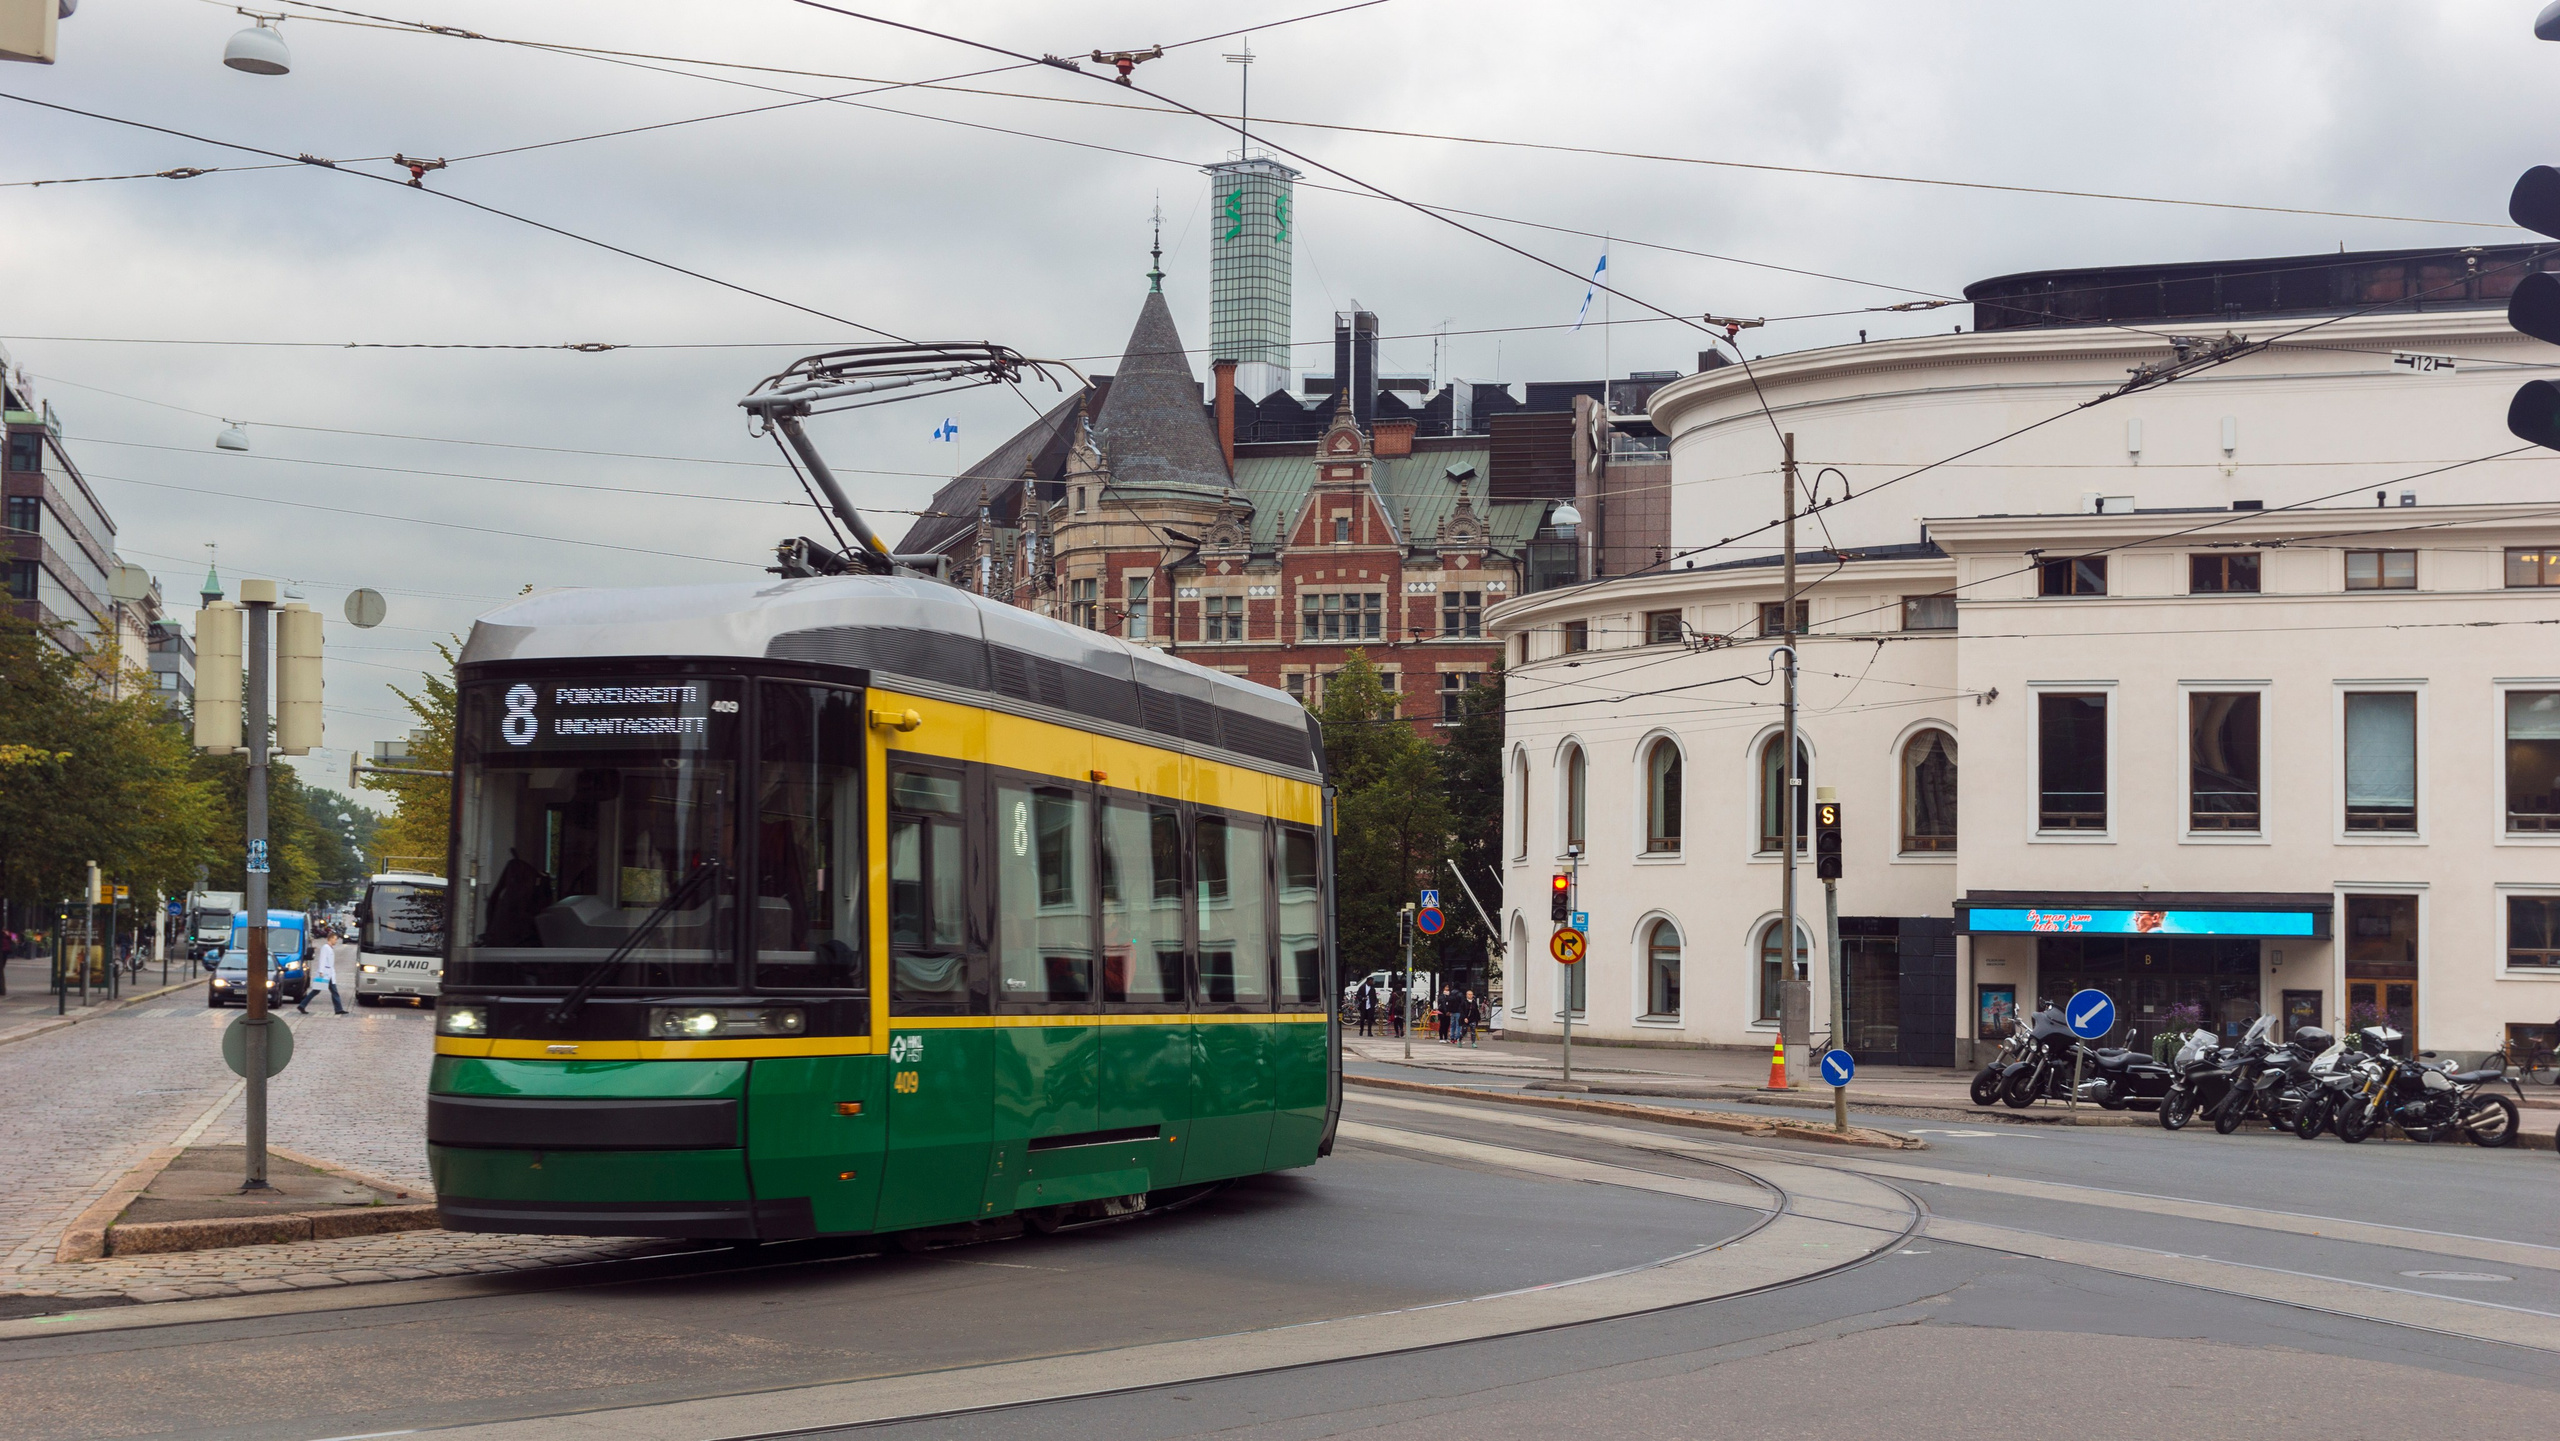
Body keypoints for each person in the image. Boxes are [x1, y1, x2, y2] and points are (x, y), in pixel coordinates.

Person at [298, 926, 346, 1015]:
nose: (336, 941)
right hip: (325, 974)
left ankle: (302, 1005)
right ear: (330, 939)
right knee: (319, 991)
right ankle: (302, 1005)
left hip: (329, 974)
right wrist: (321, 971)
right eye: (335, 939)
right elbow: (322, 960)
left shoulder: (330, 948)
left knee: (325, 991)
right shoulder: (325, 948)